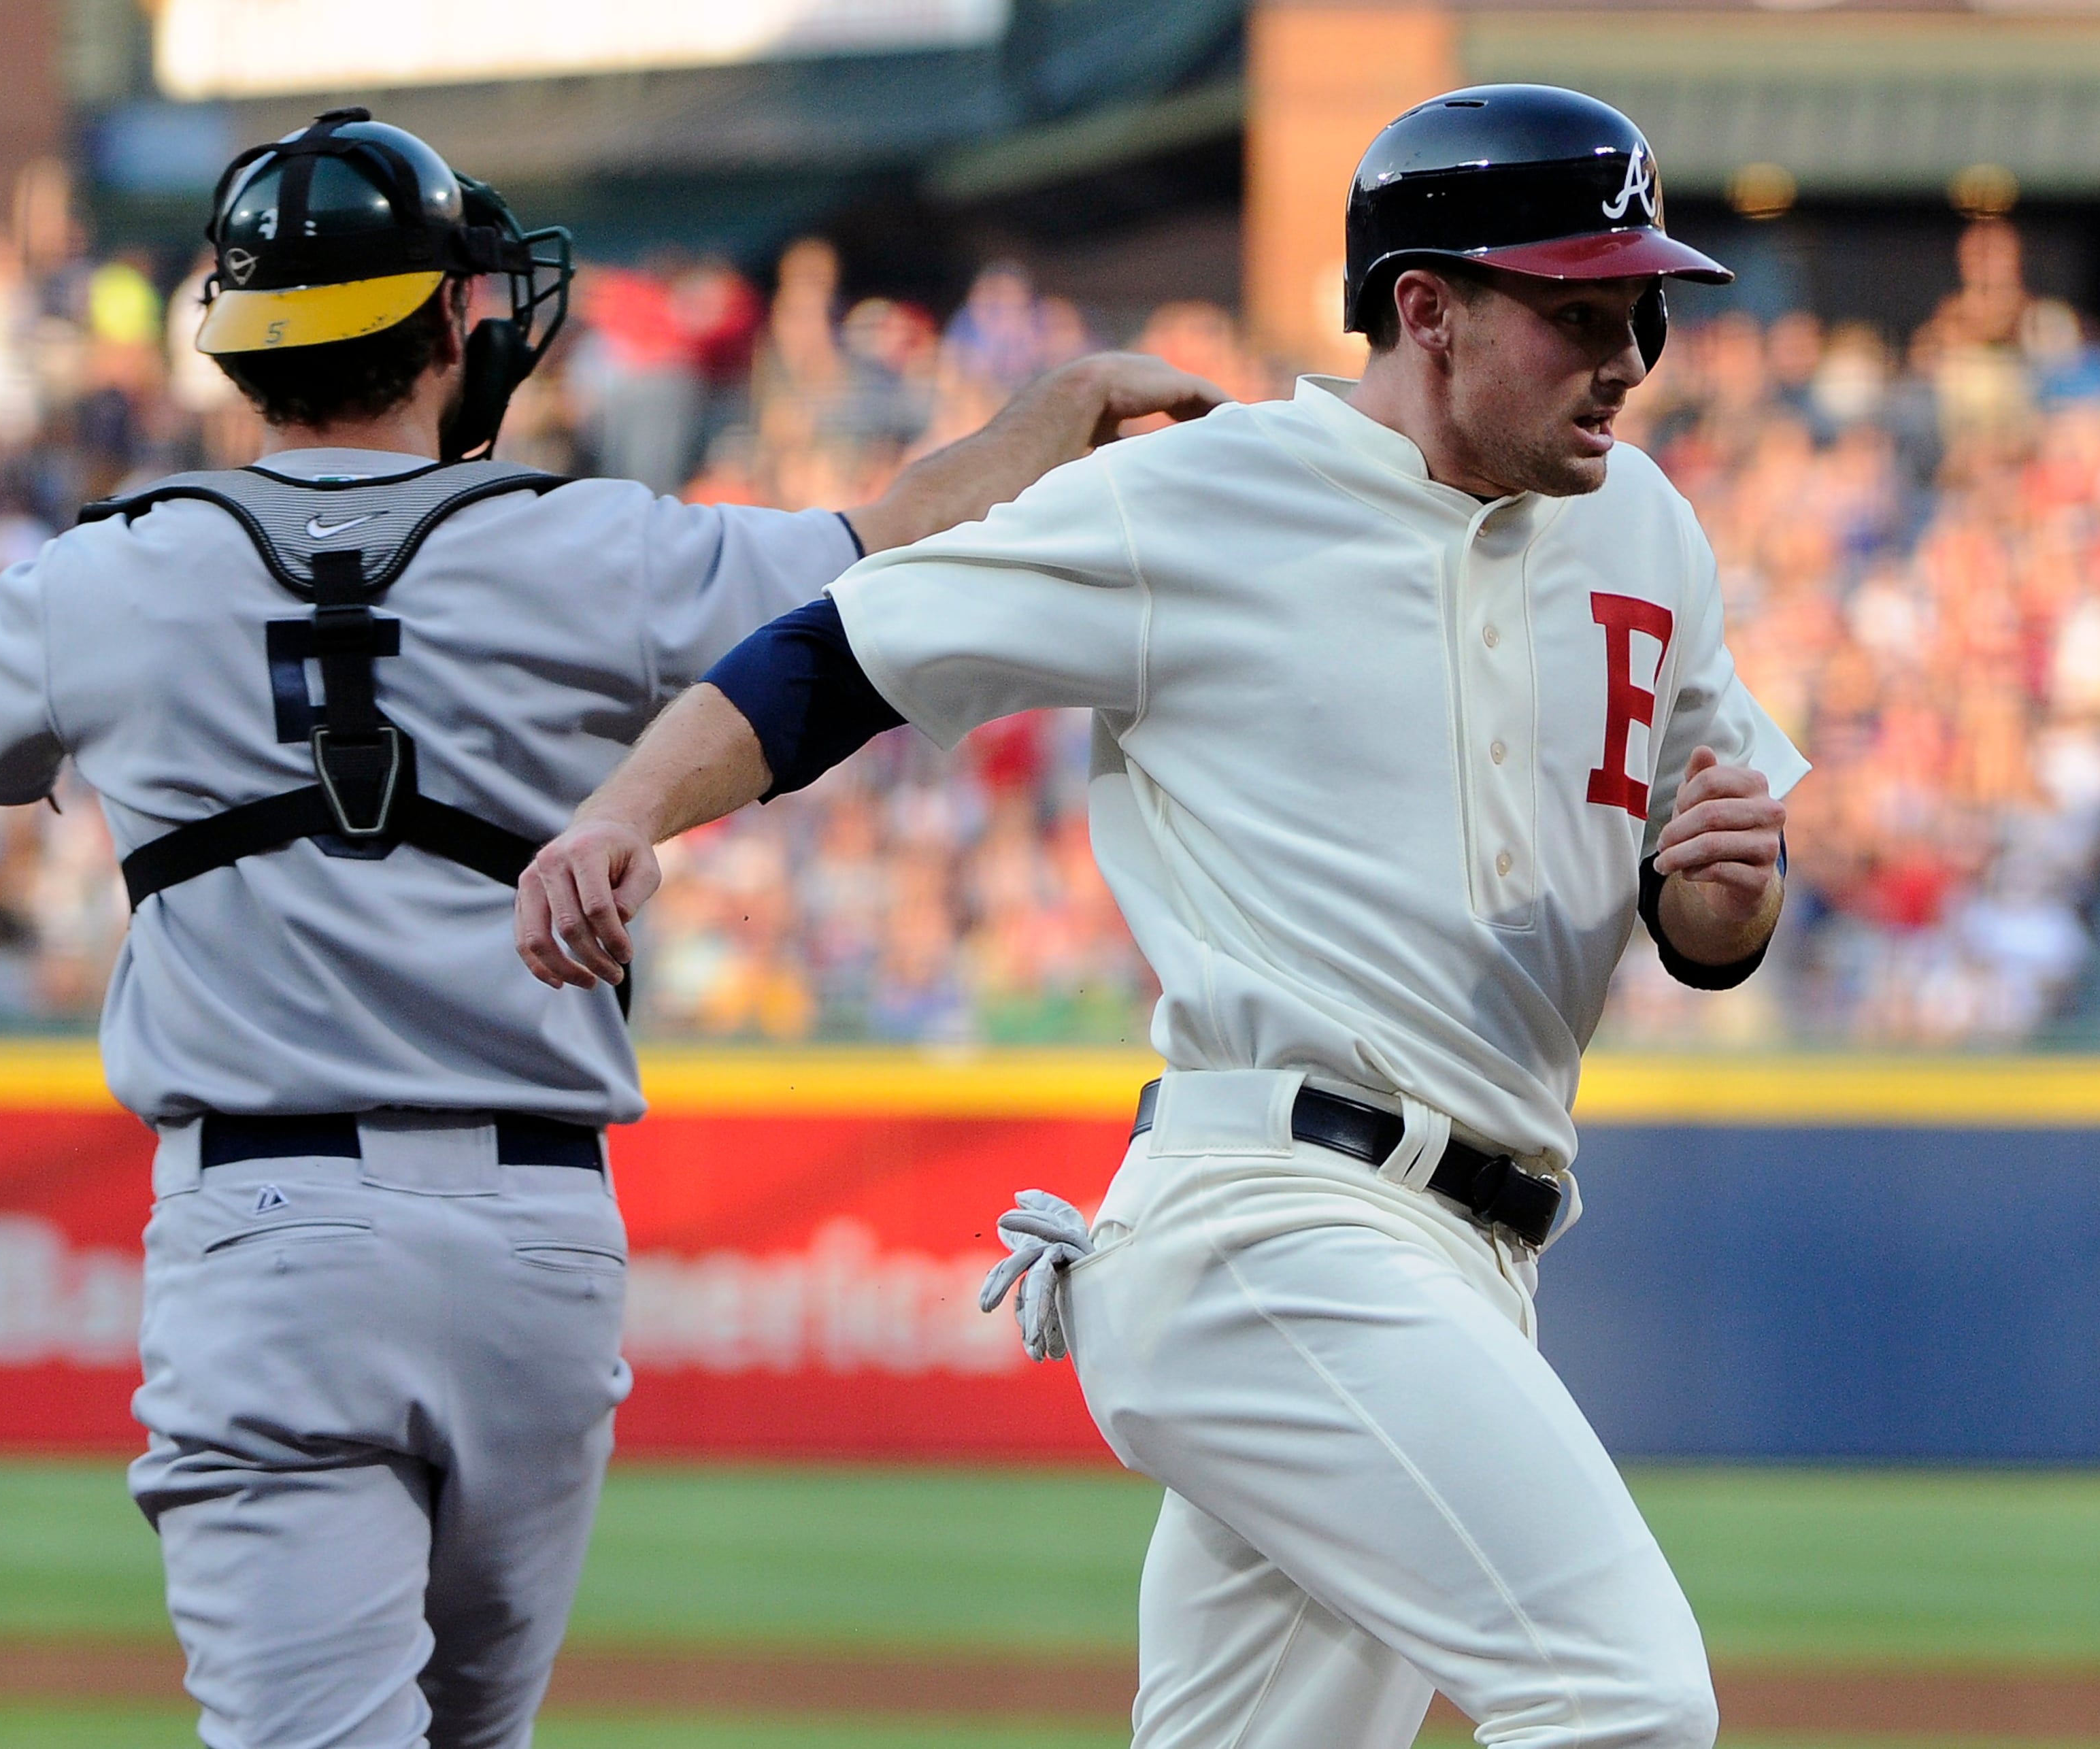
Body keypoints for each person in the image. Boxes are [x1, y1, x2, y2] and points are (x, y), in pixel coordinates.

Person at [0, 109, 1224, 1748]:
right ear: (456, 319)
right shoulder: (587, 540)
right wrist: (1064, 402)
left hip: (268, 1228)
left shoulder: (107, 573)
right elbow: (891, 541)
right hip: (537, 1248)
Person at [516, 86, 1802, 1749]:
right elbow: (845, 647)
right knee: (1622, 1699)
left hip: (1479, 1243)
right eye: (1578, 308)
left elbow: (1700, 912)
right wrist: (624, 809)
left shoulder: (1648, 527)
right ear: (1426, 306)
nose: (1630, 350)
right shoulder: (1208, 498)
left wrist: (1723, 899)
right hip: (1275, 1215)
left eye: (1643, 308)